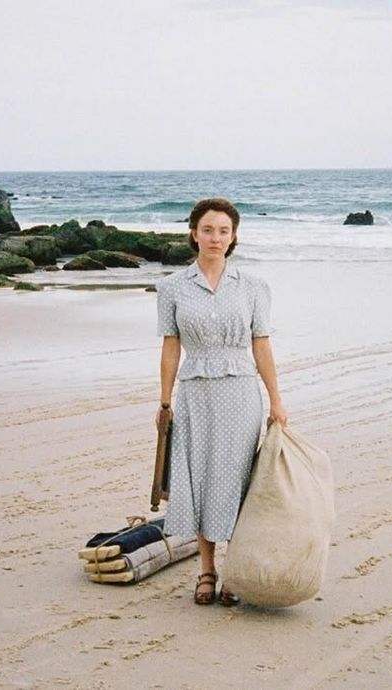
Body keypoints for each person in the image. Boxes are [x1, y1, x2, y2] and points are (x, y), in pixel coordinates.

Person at [155, 197, 288, 606]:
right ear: (193, 233)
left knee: (239, 479)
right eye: (208, 229)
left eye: (224, 231)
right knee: (201, 477)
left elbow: (261, 345)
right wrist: (164, 403)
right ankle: (207, 571)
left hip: (241, 393)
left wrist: (276, 401)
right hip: (195, 394)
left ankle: (234, 570)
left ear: (234, 237)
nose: (216, 237)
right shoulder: (172, 287)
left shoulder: (252, 287)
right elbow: (170, 348)